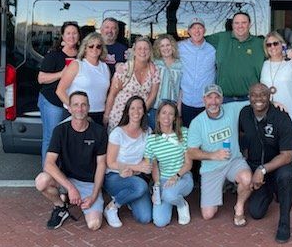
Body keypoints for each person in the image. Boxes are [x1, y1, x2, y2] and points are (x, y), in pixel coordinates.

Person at [34, 91, 107, 231]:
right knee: (41, 181)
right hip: (66, 180)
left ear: (89, 107)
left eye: (83, 105)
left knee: (94, 224)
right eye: (76, 105)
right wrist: (70, 188)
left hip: (88, 183)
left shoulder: (99, 132)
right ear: (69, 108)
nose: (80, 109)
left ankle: (77, 198)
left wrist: (94, 195)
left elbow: (101, 165)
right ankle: (61, 207)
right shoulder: (60, 130)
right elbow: (48, 164)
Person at [239, 83, 292, 243]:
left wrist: (262, 169)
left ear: (270, 96)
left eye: (263, 94)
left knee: (286, 178)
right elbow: (241, 136)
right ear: (249, 97)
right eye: (254, 95)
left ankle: (284, 222)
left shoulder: (281, 116)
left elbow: (287, 155)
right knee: (256, 213)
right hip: (256, 167)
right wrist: (246, 165)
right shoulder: (244, 113)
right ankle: (271, 192)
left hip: (277, 166)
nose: (258, 98)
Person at [187, 84, 252, 226]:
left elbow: (255, 101)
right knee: (208, 215)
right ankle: (220, 188)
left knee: (247, 179)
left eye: (217, 97)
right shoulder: (197, 122)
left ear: (222, 99)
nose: (213, 102)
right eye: (209, 97)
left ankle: (239, 207)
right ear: (204, 100)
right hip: (212, 168)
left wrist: (274, 102)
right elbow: (191, 152)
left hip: (233, 161)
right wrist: (213, 155)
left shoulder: (232, 109)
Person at [103, 96, 153, 227]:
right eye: (132, 108)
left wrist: (141, 168)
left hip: (135, 176)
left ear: (144, 111)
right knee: (141, 186)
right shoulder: (117, 133)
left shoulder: (148, 132)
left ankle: (129, 197)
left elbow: (147, 157)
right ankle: (112, 207)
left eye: (139, 108)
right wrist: (135, 167)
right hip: (115, 176)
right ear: (127, 111)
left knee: (145, 217)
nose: (136, 111)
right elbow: (110, 162)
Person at [37, 21, 81, 165]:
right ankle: (47, 175)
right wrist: (61, 74)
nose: (71, 36)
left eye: (74, 33)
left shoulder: (82, 55)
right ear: (62, 36)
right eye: (68, 33)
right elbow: (41, 78)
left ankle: (62, 173)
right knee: (51, 138)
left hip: (72, 103)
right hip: (53, 101)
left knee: (68, 139)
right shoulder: (54, 55)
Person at [145, 101, 193, 227]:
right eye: (164, 113)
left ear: (175, 118)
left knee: (169, 194)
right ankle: (172, 200)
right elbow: (154, 166)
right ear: (158, 116)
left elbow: (188, 163)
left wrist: (176, 176)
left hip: (182, 176)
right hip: (164, 180)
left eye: (171, 114)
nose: (167, 117)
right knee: (160, 222)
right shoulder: (151, 140)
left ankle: (181, 204)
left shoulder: (184, 133)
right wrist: (157, 185)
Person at [206, 11, 265, 102]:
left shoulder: (260, 43)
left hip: (251, 99)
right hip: (224, 99)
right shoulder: (221, 38)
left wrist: (287, 51)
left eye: (244, 23)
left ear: (249, 24)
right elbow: (198, 40)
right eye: (236, 23)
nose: (240, 26)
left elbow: (275, 50)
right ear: (232, 25)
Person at [104, 37, 160, 130]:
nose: (143, 51)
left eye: (146, 48)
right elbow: (112, 94)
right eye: (139, 48)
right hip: (119, 115)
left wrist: (141, 113)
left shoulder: (154, 71)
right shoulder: (124, 69)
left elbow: (152, 95)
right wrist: (106, 115)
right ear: (134, 51)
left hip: (140, 117)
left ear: (150, 52)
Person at [56, 32, 110, 126]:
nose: (94, 49)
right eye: (91, 46)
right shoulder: (77, 64)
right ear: (85, 48)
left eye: (98, 46)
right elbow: (60, 90)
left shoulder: (105, 67)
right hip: (77, 114)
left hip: (99, 114)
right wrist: (73, 108)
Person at [260, 31, 292, 134]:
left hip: (291, 114)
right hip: (268, 116)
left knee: (288, 150)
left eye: (275, 43)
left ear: (282, 44)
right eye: (268, 45)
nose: (272, 47)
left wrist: (291, 53)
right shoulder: (263, 64)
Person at [178, 17, 216, 127]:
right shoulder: (180, 47)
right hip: (186, 102)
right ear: (189, 31)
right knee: (188, 135)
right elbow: (162, 54)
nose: (197, 31)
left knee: (205, 137)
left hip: (206, 103)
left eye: (200, 27)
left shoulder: (212, 50)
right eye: (193, 28)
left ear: (204, 31)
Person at [150, 34, 183, 129]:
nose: (165, 48)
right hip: (155, 108)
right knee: (155, 136)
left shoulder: (180, 64)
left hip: (172, 109)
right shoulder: (154, 63)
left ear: (172, 46)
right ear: (158, 48)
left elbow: (182, 88)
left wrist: (179, 107)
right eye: (162, 46)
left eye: (168, 45)